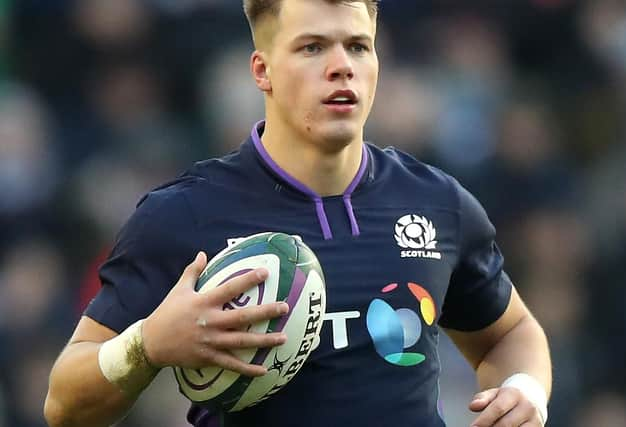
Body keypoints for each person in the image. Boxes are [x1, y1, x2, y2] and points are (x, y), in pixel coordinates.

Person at [44, 1, 552, 426]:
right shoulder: (185, 214)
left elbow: (508, 334)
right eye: (312, 47)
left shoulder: (436, 203)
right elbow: (64, 405)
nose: (341, 66)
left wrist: (526, 389)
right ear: (261, 70)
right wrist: (149, 343)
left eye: (358, 46)